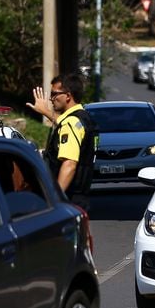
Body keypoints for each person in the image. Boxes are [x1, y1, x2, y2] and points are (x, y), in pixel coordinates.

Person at [32, 74, 98, 210]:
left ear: (67, 96)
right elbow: (65, 123)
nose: (51, 98)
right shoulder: (84, 118)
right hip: (80, 196)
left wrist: (55, 200)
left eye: (54, 94)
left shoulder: (71, 123)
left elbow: (69, 164)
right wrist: (46, 112)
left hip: (68, 198)